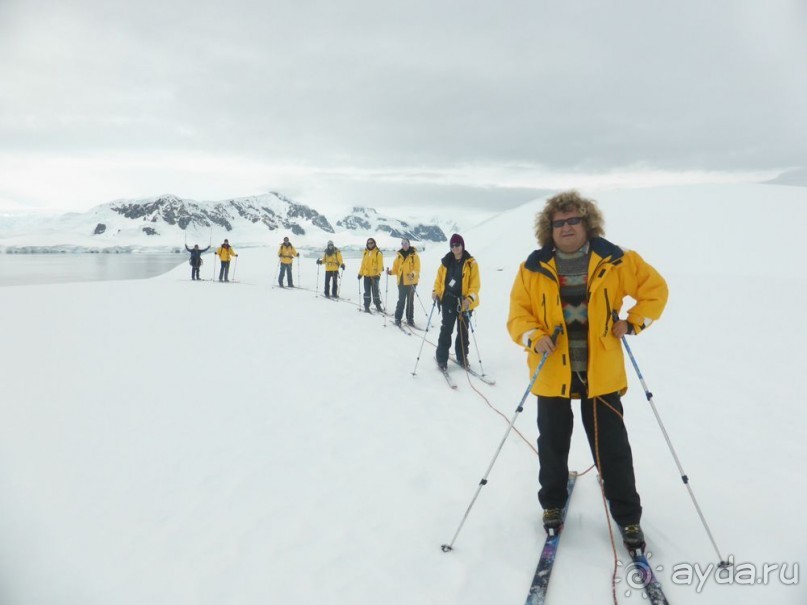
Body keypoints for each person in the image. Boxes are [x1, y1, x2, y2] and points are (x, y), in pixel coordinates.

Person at [506, 190, 668, 549]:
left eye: (573, 220)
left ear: (587, 222)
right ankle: (552, 504)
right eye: (558, 223)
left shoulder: (617, 260)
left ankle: (628, 518)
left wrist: (633, 321)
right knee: (552, 447)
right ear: (549, 229)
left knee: (613, 450)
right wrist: (534, 336)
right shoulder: (532, 268)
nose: (566, 227)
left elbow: (655, 290)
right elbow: (518, 315)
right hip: (552, 373)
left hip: (601, 374)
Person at [431, 234, 480, 370]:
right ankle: (441, 359)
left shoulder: (471, 263)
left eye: (457, 245)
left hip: (464, 302)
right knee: (446, 330)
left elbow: (475, 285)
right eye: (452, 245)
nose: (455, 248)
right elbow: (438, 280)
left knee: (463, 331)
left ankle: (462, 357)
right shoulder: (446, 262)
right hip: (448, 300)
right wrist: (435, 292)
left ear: (462, 245)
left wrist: (469, 299)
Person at [387, 238, 420, 327]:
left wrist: (412, 274)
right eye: (403, 243)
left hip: (411, 282)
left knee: (410, 302)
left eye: (406, 243)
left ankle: (410, 319)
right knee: (401, 301)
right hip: (401, 282)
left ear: (409, 244)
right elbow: (395, 269)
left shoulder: (414, 256)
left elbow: (417, 269)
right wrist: (390, 272)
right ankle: (397, 318)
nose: (404, 245)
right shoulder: (399, 256)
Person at [358, 237, 384, 312]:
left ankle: (378, 306)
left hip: (374, 277)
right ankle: (366, 306)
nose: (370, 244)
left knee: (375, 292)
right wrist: (360, 273)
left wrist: (377, 275)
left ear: (374, 243)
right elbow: (363, 265)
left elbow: (380, 266)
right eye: (368, 243)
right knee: (367, 292)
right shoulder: (365, 253)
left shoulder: (378, 253)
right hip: (366, 276)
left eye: (371, 243)